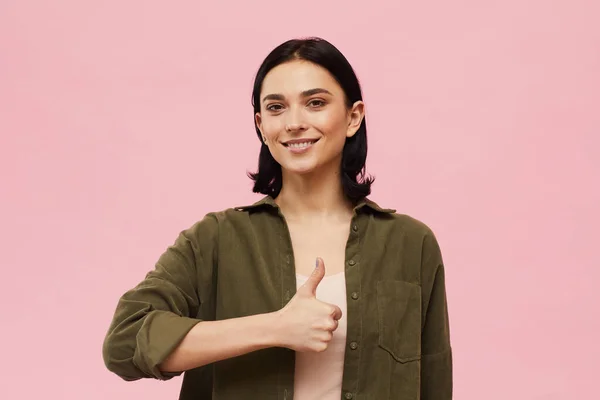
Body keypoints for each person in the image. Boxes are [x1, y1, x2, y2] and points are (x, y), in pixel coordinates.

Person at [102, 36, 452, 400]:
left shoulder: (412, 244)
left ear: (353, 117)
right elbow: (125, 341)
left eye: (315, 103)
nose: (294, 123)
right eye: (276, 107)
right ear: (260, 125)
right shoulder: (216, 239)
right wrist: (275, 328)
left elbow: (435, 383)